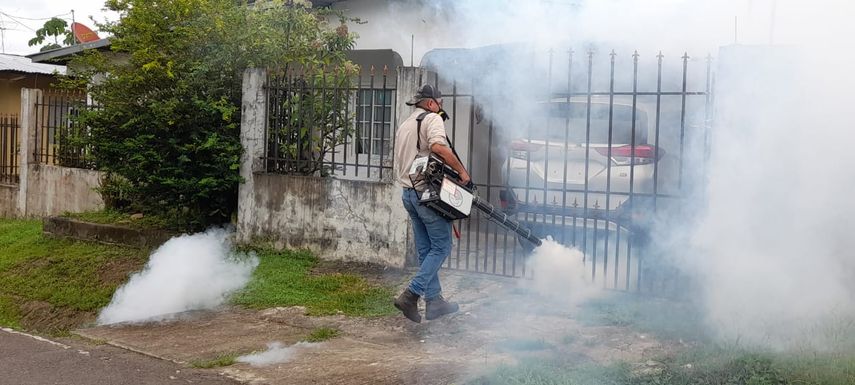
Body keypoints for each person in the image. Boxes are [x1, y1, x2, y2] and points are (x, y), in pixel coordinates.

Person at [393, 84, 470, 323]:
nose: (441, 107)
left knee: (426, 250)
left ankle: (434, 301)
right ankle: (411, 294)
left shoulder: (406, 124)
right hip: (426, 195)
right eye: (440, 102)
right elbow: (438, 146)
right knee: (442, 247)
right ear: (430, 103)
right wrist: (462, 172)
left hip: (409, 194)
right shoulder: (432, 119)